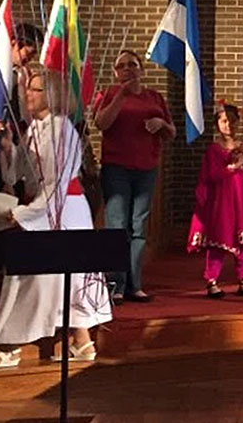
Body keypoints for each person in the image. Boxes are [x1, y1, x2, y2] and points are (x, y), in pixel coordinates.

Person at [0, 63, 111, 369]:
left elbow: (58, 183)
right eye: (28, 88)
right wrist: (8, 148)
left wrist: (25, 214)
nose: (28, 94)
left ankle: (8, 347)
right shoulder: (37, 127)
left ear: (53, 94)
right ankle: (82, 340)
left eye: (36, 89)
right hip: (47, 208)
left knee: (30, 277)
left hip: (62, 211)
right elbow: (22, 173)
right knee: (63, 278)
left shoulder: (61, 129)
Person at [94, 50, 176, 303]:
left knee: (139, 227)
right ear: (116, 72)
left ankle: (135, 284)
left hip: (146, 168)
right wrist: (121, 94)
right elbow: (101, 124)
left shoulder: (154, 97)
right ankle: (116, 283)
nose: (128, 69)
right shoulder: (108, 94)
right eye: (122, 66)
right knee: (117, 225)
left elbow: (171, 132)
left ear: (141, 69)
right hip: (116, 167)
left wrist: (160, 124)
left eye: (132, 64)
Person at [188, 102, 243, 297]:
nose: (228, 125)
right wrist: (233, 167)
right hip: (221, 199)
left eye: (232, 121)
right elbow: (212, 175)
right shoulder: (214, 149)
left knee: (242, 238)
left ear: (238, 123)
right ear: (217, 124)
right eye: (223, 121)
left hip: (240, 198)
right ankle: (212, 280)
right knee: (218, 238)